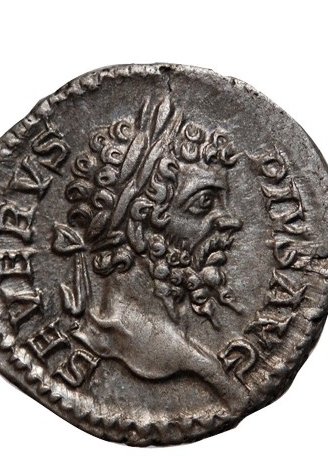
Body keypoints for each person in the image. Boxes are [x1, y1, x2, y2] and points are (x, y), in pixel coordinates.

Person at [53, 95, 243, 388]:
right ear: (139, 226)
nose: (231, 221)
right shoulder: (199, 370)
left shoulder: (187, 349)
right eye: (204, 202)